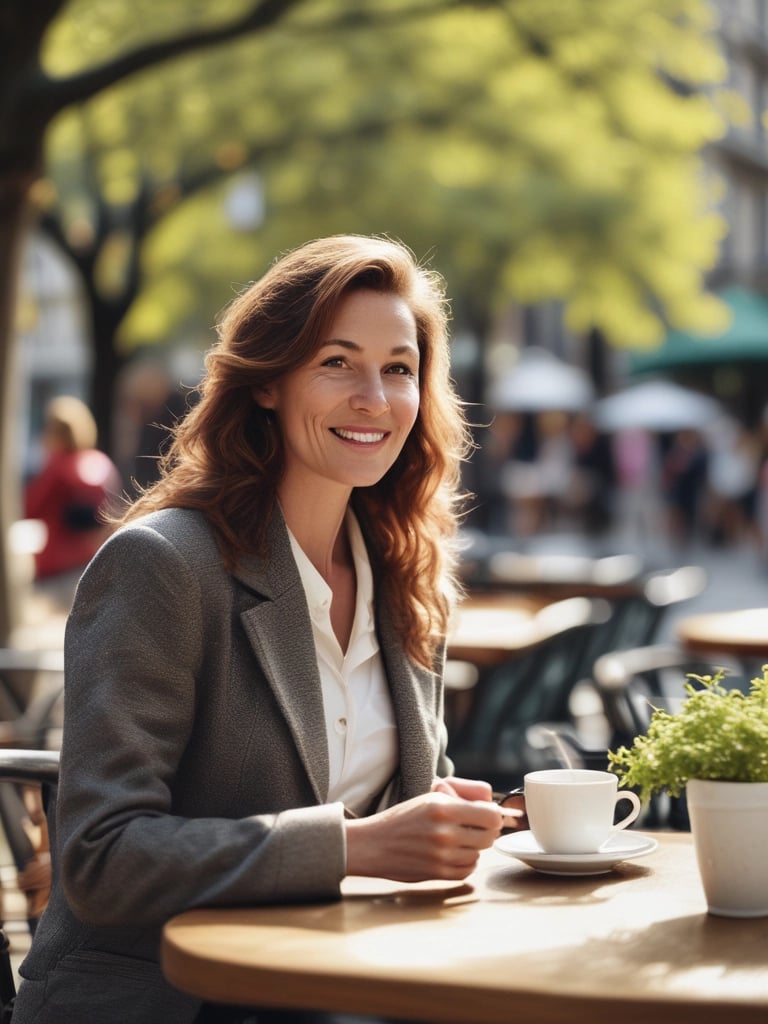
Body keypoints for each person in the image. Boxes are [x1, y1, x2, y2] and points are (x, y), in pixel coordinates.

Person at [12, 235, 519, 1024]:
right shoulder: (164, 566)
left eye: (399, 368)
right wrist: (360, 845)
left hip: (347, 984)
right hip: (174, 1003)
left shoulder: (407, 582)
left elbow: (402, 808)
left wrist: (446, 822)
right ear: (269, 384)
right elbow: (100, 858)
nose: (375, 400)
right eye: (337, 362)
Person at [23, 395, 122, 610]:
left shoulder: (57, 468)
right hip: (96, 563)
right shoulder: (102, 463)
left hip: (57, 567)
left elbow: (31, 508)